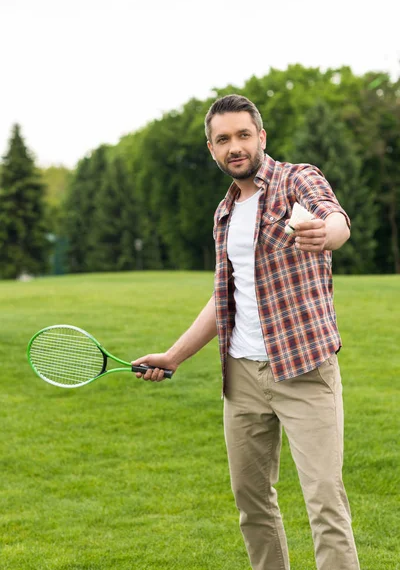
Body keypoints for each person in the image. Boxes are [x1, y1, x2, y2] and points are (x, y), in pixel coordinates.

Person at [132, 94, 360, 570]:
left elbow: (333, 217)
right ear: (211, 149)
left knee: (324, 502)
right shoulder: (224, 213)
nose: (234, 146)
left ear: (261, 137)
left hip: (303, 369)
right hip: (241, 378)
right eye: (222, 140)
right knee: (253, 506)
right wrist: (174, 356)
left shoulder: (296, 179)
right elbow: (224, 299)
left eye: (242, 135)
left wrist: (327, 232)